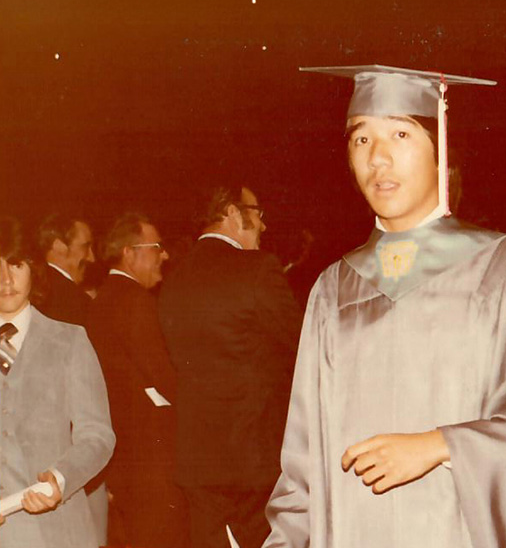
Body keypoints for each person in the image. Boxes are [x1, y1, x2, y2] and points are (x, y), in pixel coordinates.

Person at [264, 65, 506, 548]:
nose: (378, 158)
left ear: (439, 147)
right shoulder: (334, 288)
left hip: (456, 527)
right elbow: (303, 455)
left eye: (400, 133)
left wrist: (441, 444)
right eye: (361, 140)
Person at [159, 185, 302, 548]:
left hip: (197, 461)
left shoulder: (173, 280)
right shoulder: (258, 269)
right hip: (253, 463)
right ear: (233, 213)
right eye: (258, 213)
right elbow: (302, 347)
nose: (264, 226)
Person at [0, 216, 115, 547]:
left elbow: (97, 436)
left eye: (16, 265)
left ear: (33, 270)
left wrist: (61, 479)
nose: (5, 279)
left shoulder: (70, 342)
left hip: (55, 532)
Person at [85, 213, 189, 547]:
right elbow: (166, 378)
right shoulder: (134, 301)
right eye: (156, 247)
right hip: (152, 461)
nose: (165, 255)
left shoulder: (104, 300)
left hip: (123, 458)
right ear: (129, 253)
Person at [35, 214, 95, 326]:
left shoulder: (34, 290)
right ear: (59, 246)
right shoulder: (76, 302)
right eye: (85, 247)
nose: (91, 258)